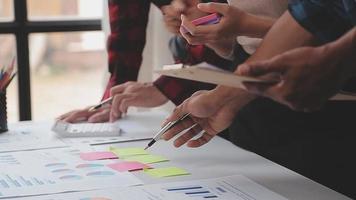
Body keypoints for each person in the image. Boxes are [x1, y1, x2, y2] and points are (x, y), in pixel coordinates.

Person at [163, 0, 356, 198]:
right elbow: (315, 11)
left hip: (321, 96)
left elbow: (323, 18)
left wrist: (248, 25)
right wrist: (225, 99)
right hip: (256, 88)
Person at [58, 0, 232, 123]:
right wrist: (111, 101)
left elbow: (228, 29)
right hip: (207, 53)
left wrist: (163, 87)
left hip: (241, 55)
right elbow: (125, 37)